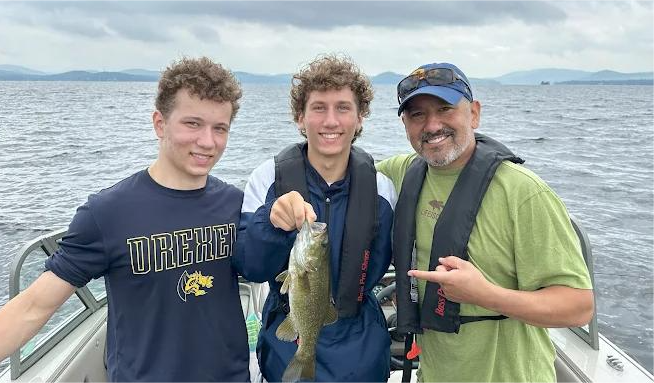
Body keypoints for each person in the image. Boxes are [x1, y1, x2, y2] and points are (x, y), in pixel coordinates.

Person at [0, 57, 250, 383]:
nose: (208, 141)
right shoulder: (108, 213)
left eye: (220, 128)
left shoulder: (234, 203)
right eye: (193, 124)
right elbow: (33, 307)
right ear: (159, 123)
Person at [376, 62, 595, 383]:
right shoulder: (404, 170)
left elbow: (578, 306)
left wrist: (485, 294)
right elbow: (339, 173)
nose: (432, 125)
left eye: (445, 108)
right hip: (434, 373)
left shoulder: (523, 193)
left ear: (474, 113)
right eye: (417, 115)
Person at [232, 54, 396, 383]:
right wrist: (270, 224)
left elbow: (377, 264)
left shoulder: (381, 189)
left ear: (360, 117)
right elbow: (249, 267)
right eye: (319, 107)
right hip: (287, 345)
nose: (330, 121)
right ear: (299, 117)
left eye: (343, 107)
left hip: (361, 351)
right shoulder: (268, 179)